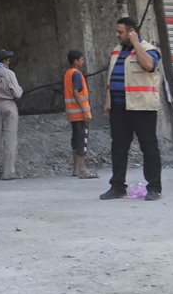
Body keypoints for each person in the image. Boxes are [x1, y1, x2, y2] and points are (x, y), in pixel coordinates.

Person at [101, 17, 163, 202]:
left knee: (149, 147)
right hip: (119, 107)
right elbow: (111, 78)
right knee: (118, 147)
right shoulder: (116, 51)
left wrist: (136, 43)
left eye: (120, 32)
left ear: (131, 32)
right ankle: (117, 186)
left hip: (142, 106)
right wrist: (108, 102)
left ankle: (154, 188)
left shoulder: (149, 50)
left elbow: (149, 66)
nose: (117, 35)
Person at [0, 49, 22, 181]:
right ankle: (8, 172)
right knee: (10, 138)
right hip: (8, 106)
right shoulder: (9, 73)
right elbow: (17, 93)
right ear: (5, 61)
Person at [63, 50, 97, 179]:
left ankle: (76, 169)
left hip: (72, 113)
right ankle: (82, 169)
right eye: (81, 59)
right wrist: (85, 110)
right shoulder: (76, 74)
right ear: (75, 61)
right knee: (82, 140)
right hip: (79, 113)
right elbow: (76, 93)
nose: (83, 62)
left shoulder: (68, 73)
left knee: (76, 139)